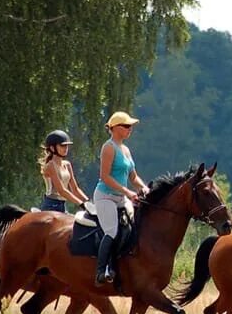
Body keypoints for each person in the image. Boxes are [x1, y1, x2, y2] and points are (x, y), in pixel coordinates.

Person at [93, 111, 149, 285]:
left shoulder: (125, 149)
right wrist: (128, 192)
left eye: (130, 126)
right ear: (115, 128)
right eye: (126, 126)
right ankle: (102, 271)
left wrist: (143, 187)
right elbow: (105, 177)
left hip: (121, 198)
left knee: (134, 228)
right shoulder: (108, 147)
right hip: (105, 197)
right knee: (112, 231)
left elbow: (133, 176)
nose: (130, 129)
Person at [38, 130, 90, 213]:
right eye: (62, 146)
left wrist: (88, 202)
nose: (66, 148)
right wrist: (81, 204)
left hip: (62, 205)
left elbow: (75, 189)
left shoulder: (67, 164)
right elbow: (61, 190)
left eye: (67, 146)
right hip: (51, 206)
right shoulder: (50, 165)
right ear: (52, 148)